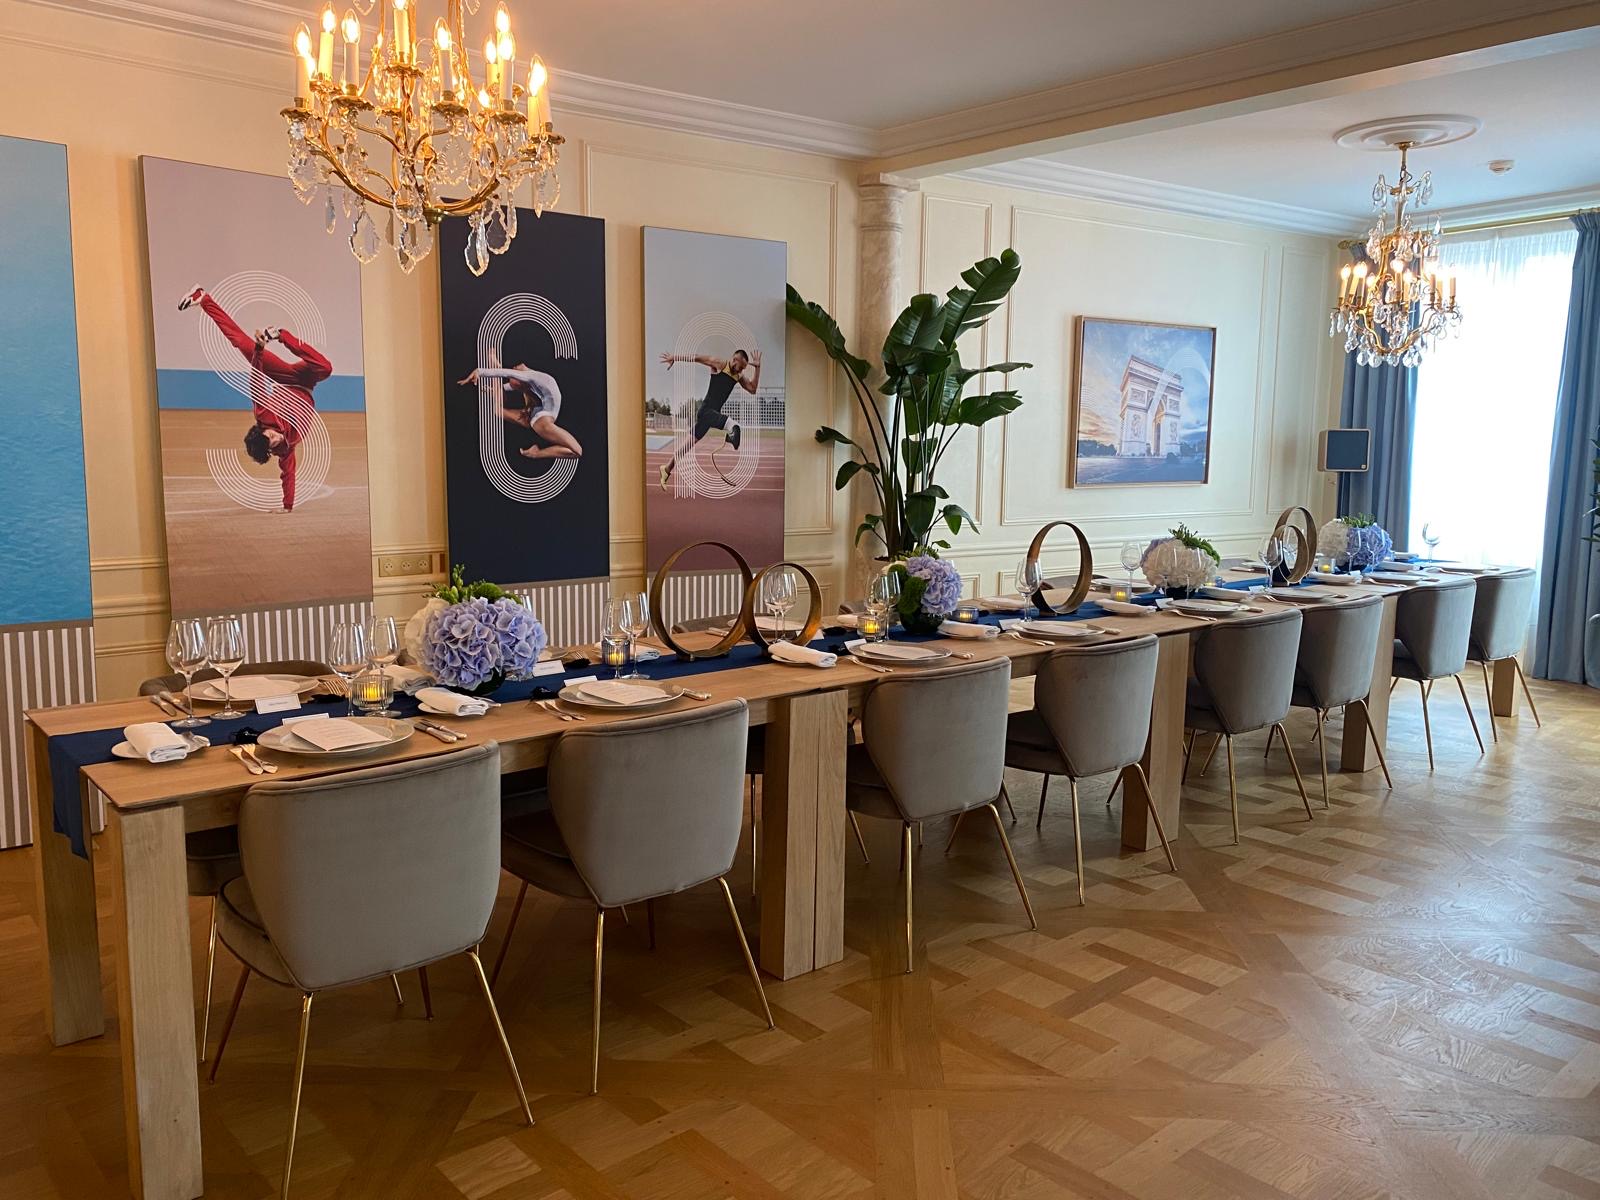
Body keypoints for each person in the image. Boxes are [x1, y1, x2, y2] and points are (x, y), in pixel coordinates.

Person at [178, 285, 330, 512]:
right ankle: (208, 301)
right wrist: (287, 507)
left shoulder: (263, 415)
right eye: (273, 443)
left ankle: (206, 300)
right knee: (324, 370)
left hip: (286, 378)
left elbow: (257, 379)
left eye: (269, 436)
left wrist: (259, 349)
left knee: (240, 342)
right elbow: (288, 473)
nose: (275, 438)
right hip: (306, 384)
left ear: (262, 431)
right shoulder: (285, 448)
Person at [655, 348, 761, 490]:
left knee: (686, 447)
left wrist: (758, 368)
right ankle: (730, 435)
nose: (740, 371)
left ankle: (667, 469)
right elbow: (696, 357)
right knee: (734, 426)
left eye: (743, 369)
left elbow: (753, 389)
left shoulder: (738, 376)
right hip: (706, 412)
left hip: (711, 416)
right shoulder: (719, 363)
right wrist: (675, 357)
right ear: (734, 359)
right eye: (740, 367)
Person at [457, 362, 582, 460]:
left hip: (538, 416)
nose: (515, 366)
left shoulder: (532, 377)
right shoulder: (529, 377)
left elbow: (507, 379)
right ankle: (536, 454)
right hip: (542, 419)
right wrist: (479, 372)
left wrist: (485, 376)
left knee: (498, 411)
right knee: (577, 451)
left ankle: (536, 453)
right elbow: (506, 375)